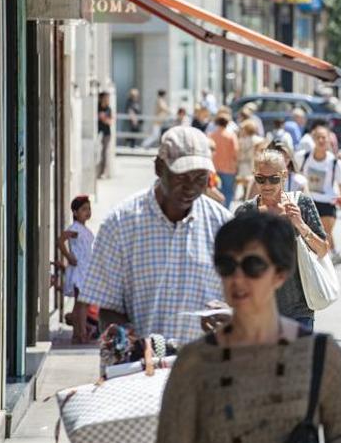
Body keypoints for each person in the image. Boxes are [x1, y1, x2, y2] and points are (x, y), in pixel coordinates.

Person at [149, 213, 341, 443]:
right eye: (227, 266)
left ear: (280, 274)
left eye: (252, 266)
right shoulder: (195, 362)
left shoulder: (320, 355)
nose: (238, 278)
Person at [80, 126, 231, 345]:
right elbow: (108, 309)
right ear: (159, 168)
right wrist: (131, 342)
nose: (190, 187)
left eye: (200, 178)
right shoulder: (120, 224)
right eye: (182, 177)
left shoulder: (224, 226)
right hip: (137, 371)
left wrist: (230, 315)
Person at [235, 150, 328, 331]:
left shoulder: (302, 204)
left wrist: (300, 224)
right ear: (255, 176)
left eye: (273, 179)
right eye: (261, 179)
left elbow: (323, 250)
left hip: (299, 309)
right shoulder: (246, 211)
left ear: (284, 176)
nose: (267, 185)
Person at [299, 122, 341, 265]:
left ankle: (328, 257)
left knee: (324, 231)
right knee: (312, 234)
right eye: (318, 137)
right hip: (308, 201)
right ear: (313, 139)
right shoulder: (303, 157)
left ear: (329, 140)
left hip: (328, 203)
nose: (321, 141)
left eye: (324, 138)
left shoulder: (334, 162)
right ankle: (327, 256)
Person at [58, 195, 95, 344]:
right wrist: (68, 256)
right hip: (79, 269)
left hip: (86, 268)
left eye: (89, 209)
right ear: (75, 212)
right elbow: (60, 240)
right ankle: (82, 333)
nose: (87, 212)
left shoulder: (84, 229)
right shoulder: (75, 229)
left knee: (81, 304)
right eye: (83, 209)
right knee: (82, 303)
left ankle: (77, 334)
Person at [210, 113, 239, 208]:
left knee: (215, 190)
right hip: (229, 168)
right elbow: (236, 152)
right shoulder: (231, 136)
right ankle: (226, 209)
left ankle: (217, 207)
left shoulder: (212, 136)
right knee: (228, 191)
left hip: (214, 167)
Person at [236, 119, 263, 200]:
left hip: (244, 165)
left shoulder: (240, 141)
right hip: (254, 165)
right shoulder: (259, 140)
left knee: (246, 186)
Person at [97, 91, 113, 178]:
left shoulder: (108, 109)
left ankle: (103, 172)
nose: (107, 99)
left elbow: (111, 122)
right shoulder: (97, 107)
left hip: (106, 134)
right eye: (106, 97)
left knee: (104, 153)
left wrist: (104, 118)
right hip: (98, 133)